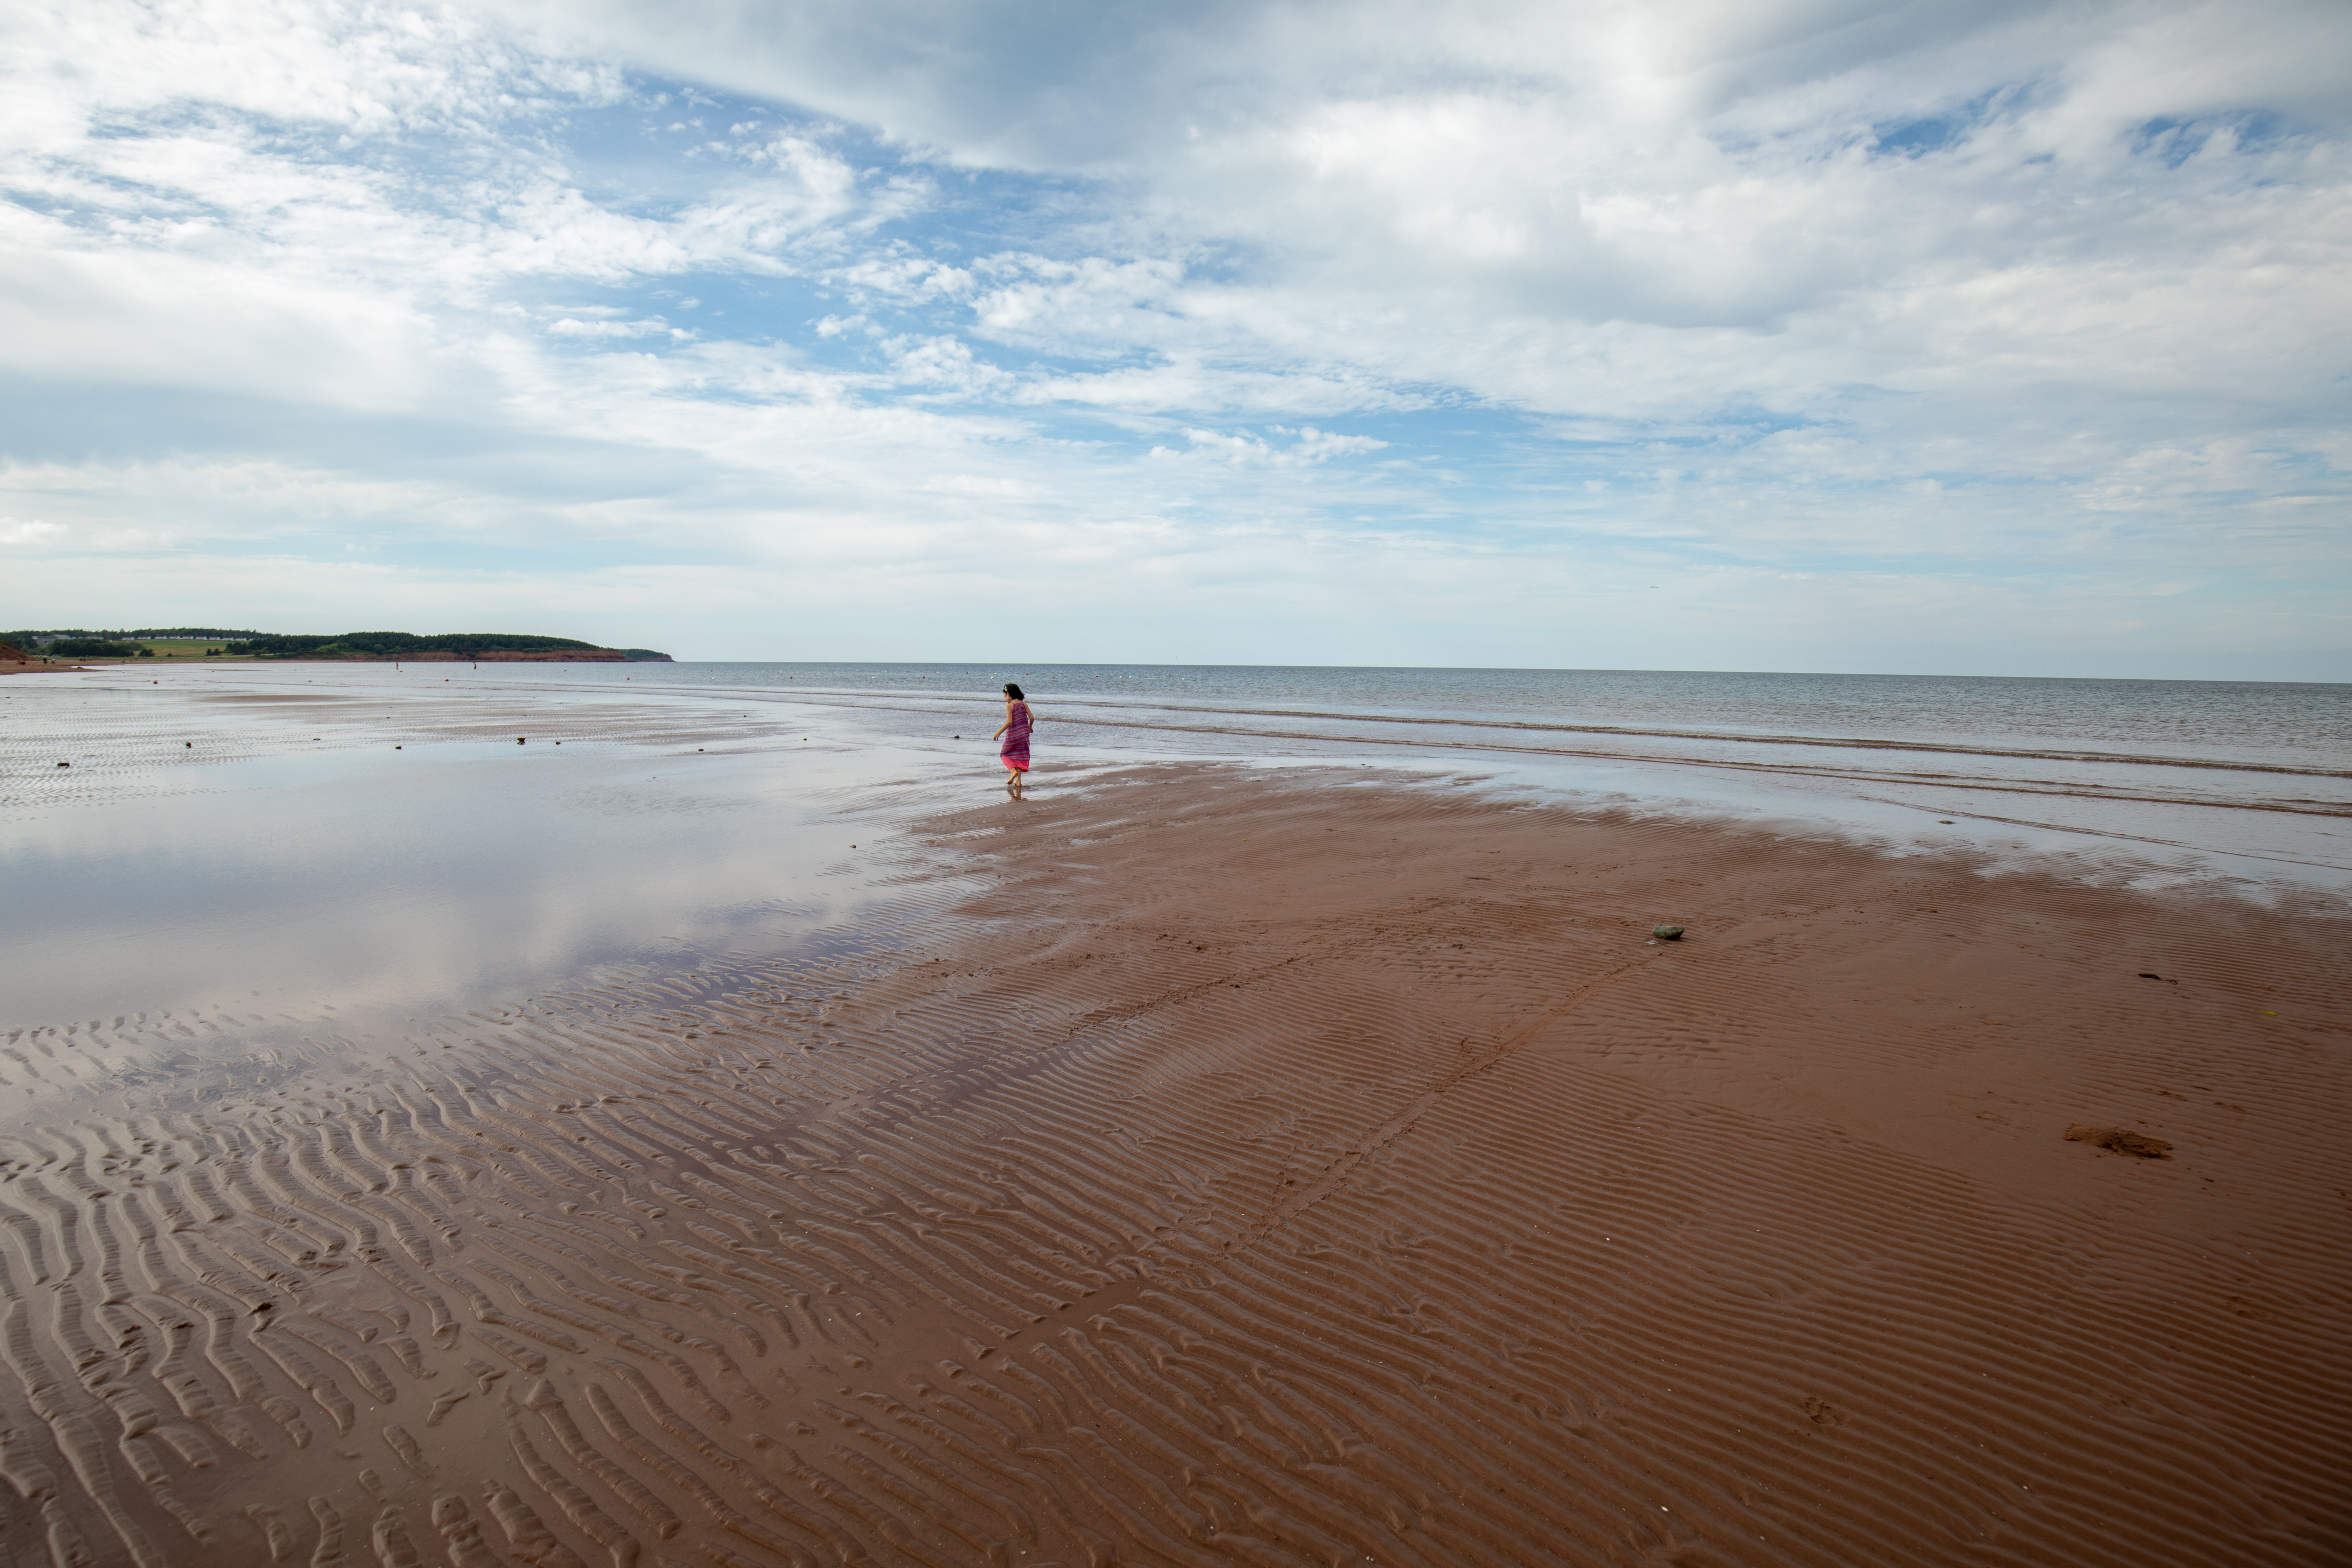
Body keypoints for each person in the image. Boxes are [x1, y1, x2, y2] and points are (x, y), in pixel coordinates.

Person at [992, 682, 1034, 798]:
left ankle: (1013, 772)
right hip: (1024, 736)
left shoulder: (1010, 706)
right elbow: (1032, 718)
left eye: (1005, 696)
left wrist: (999, 732)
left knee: (1005, 754)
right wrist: (1030, 727)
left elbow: (1009, 722)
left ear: (1009, 695)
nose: (1005, 698)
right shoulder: (1024, 704)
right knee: (1020, 756)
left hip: (1013, 736)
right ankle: (1019, 781)